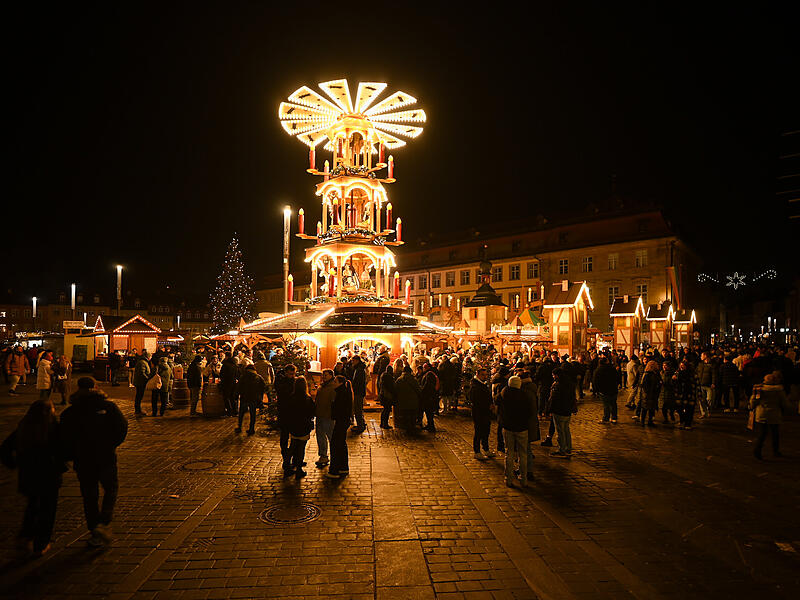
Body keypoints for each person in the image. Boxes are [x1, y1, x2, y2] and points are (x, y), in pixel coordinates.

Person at [60, 377, 128, 547]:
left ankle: (94, 529)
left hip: (83, 459)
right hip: (105, 456)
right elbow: (122, 427)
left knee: (89, 495)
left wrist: (70, 455)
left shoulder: (70, 412)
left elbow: (63, 438)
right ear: (95, 386)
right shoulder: (107, 406)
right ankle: (103, 522)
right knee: (111, 488)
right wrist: (111, 444)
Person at [1, 399, 66, 557]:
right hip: (49, 475)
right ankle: (41, 543)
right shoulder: (53, 428)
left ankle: (25, 536)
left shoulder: (24, 428)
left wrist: (14, 463)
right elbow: (63, 449)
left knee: (32, 506)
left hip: (29, 475)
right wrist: (61, 464)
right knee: (47, 510)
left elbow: (5, 448)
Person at [495, 376, 530, 487]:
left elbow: (496, 400)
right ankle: (524, 478)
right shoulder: (524, 395)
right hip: (522, 427)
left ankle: (508, 478)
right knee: (522, 454)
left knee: (509, 453)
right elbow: (529, 411)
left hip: (508, 427)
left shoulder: (504, 393)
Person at [750, 373, 790, 460]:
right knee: (775, 433)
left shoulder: (759, 389)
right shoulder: (779, 390)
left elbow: (753, 401)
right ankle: (775, 450)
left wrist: (751, 407)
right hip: (774, 414)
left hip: (761, 413)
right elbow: (784, 403)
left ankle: (757, 450)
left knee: (762, 434)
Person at [545, 368, 576, 458]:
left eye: (553, 375)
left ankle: (561, 450)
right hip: (567, 410)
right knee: (566, 429)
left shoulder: (557, 385)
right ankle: (568, 448)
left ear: (557, 375)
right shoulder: (569, 383)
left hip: (559, 410)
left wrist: (549, 410)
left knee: (560, 431)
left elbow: (553, 399)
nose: (553, 377)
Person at [328, 375, 352, 478]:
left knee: (336, 444)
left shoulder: (341, 393)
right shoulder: (344, 391)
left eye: (335, 381)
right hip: (344, 421)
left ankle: (335, 470)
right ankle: (343, 468)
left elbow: (339, 409)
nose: (333, 383)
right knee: (341, 444)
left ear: (340, 383)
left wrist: (333, 408)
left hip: (341, 421)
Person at [275, 364, 297, 475]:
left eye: (293, 374)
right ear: (286, 372)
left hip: (292, 414)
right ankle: (286, 458)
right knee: (284, 437)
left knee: (294, 437)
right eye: (290, 374)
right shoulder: (282, 382)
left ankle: (291, 458)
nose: (291, 376)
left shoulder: (295, 381)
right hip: (284, 413)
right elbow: (283, 394)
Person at [469, 366, 494, 460]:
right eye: (483, 375)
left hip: (485, 412)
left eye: (486, 375)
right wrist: (487, 405)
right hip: (479, 412)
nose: (485, 376)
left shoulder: (483, 384)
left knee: (486, 431)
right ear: (478, 375)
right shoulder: (475, 386)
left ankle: (486, 449)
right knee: (478, 432)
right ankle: (477, 451)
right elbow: (475, 400)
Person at [314, 369, 336, 466]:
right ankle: (323, 456)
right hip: (320, 415)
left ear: (331, 375)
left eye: (326, 375)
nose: (324, 377)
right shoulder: (322, 387)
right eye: (323, 375)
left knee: (331, 437)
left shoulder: (333, 387)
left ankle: (335, 456)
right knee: (320, 437)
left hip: (328, 416)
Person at [236, 364, 265, 435]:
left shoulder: (243, 377)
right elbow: (263, 387)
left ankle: (239, 427)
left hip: (244, 397)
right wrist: (259, 396)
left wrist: (238, 394)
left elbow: (239, 386)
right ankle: (251, 429)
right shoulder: (258, 377)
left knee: (242, 413)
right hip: (254, 398)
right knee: (253, 414)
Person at [394, 366, 423, 433]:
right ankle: (411, 426)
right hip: (412, 400)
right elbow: (418, 389)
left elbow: (395, 389)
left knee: (405, 414)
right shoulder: (413, 379)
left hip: (402, 400)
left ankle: (406, 426)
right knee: (412, 414)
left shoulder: (399, 379)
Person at [593, 356, 619, 424]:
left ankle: (606, 418)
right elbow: (617, 378)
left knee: (606, 405)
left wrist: (596, 390)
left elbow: (595, 381)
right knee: (613, 404)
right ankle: (614, 418)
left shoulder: (598, 370)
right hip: (613, 389)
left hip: (603, 390)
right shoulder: (612, 369)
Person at [674, 360, 699, 430]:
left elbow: (697, 384)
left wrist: (699, 395)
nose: (681, 367)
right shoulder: (677, 373)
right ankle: (682, 420)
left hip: (689, 394)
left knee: (689, 410)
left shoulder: (692, 374)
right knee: (679, 409)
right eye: (680, 365)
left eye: (683, 365)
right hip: (680, 394)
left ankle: (688, 423)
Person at [639, 360, 662, 426]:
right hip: (648, 394)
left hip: (653, 393)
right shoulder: (647, 374)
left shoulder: (656, 373)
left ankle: (650, 421)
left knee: (651, 408)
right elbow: (644, 384)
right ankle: (643, 421)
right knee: (645, 408)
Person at [350, 355, 367, 433]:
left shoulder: (359, 370)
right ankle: (362, 424)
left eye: (353, 361)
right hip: (360, 392)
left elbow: (358, 382)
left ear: (356, 360)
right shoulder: (359, 368)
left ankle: (360, 426)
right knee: (359, 409)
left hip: (358, 392)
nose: (352, 362)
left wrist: (353, 389)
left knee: (358, 409)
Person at [420, 362, 439, 432]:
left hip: (429, 396)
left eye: (424, 367)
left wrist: (422, 391)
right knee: (428, 412)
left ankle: (431, 426)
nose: (423, 369)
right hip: (430, 396)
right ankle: (430, 425)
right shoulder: (429, 373)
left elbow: (427, 385)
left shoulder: (429, 374)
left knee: (429, 412)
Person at [219, 352, 239, 417]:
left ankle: (229, 412)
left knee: (226, 397)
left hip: (226, 383)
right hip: (234, 383)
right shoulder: (235, 364)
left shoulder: (225, 364)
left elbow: (222, 374)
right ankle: (235, 412)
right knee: (233, 398)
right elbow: (238, 373)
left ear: (226, 356)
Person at [133, 350, 152, 416]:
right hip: (140, 382)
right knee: (139, 396)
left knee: (139, 396)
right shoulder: (143, 363)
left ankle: (138, 409)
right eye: (150, 356)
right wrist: (147, 378)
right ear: (148, 357)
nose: (151, 358)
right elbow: (142, 373)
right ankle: (137, 410)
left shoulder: (143, 362)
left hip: (140, 382)